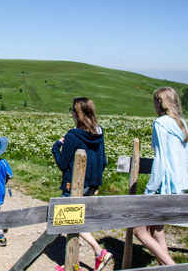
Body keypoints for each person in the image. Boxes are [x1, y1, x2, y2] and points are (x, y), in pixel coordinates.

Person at [133, 87, 188, 266]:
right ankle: (165, 267)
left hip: (162, 185)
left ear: (160, 102)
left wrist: (149, 190)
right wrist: (181, 181)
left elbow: (160, 160)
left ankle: (173, 267)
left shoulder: (160, 124)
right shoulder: (181, 123)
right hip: (178, 186)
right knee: (157, 231)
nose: (153, 106)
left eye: (154, 101)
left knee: (139, 230)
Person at [51, 97, 112, 271]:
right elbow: (104, 162)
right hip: (91, 185)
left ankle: (98, 251)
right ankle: (72, 264)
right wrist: (96, 185)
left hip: (74, 186)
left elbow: (63, 164)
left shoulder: (72, 135)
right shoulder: (99, 133)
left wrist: (56, 147)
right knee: (76, 220)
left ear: (76, 114)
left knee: (68, 221)